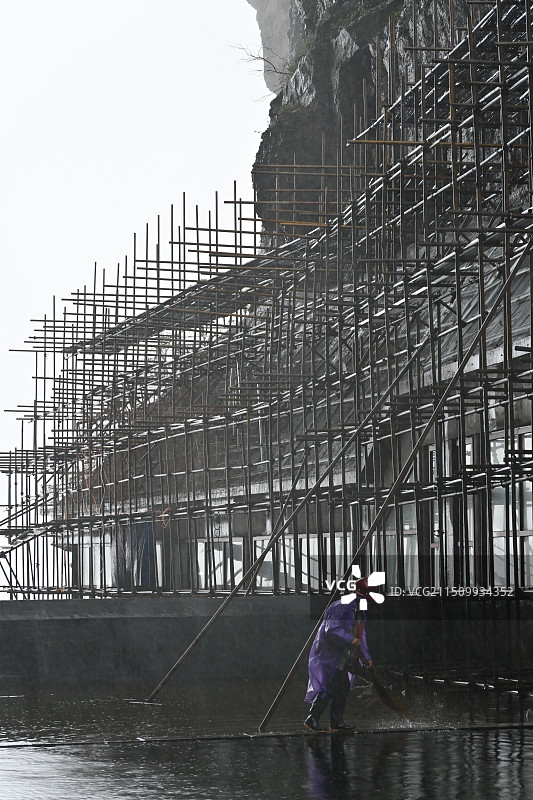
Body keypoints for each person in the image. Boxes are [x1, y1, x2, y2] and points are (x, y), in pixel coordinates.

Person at [304, 576, 374, 732]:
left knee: (339, 687)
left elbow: (361, 636)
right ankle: (316, 718)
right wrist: (350, 639)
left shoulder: (359, 611)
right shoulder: (341, 607)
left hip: (341, 656)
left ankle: (331, 721)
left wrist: (366, 657)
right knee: (334, 686)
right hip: (329, 654)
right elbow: (332, 630)